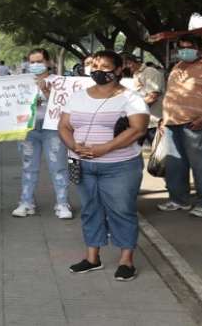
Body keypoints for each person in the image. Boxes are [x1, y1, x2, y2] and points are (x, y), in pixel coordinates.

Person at [58, 50, 149, 281]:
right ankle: (92, 258)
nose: (98, 71)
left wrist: (104, 149)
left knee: (122, 210)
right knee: (90, 210)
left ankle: (126, 261)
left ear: (119, 70)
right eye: (94, 66)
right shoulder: (78, 96)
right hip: (84, 165)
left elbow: (137, 129)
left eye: (105, 67)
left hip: (120, 166)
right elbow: (64, 126)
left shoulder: (131, 98)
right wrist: (73, 146)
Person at [157, 34, 202, 218]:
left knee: (201, 165)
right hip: (172, 122)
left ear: (200, 48)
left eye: (189, 47)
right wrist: (164, 120)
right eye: (181, 47)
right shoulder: (177, 67)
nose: (184, 51)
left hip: (196, 123)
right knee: (175, 164)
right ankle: (178, 200)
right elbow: (171, 95)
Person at [13, 49, 73, 219]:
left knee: (58, 166)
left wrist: (47, 93)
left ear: (48, 62)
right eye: (31, 62)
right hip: (29, 129)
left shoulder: (60, 82)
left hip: (53, 129)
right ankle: (26, 202)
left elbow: (66, 106)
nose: (35, 65)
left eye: (39, 61)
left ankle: (62, 203)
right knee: (28, 167)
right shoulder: (21, 82)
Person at [121, 53, 165, 144]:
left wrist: (132, 109)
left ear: (129, 63)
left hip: (153, 122)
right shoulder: (136, 74)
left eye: (121, 66)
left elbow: (152, 97)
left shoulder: (150, 72)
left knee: (158, 152)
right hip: (141, 121)